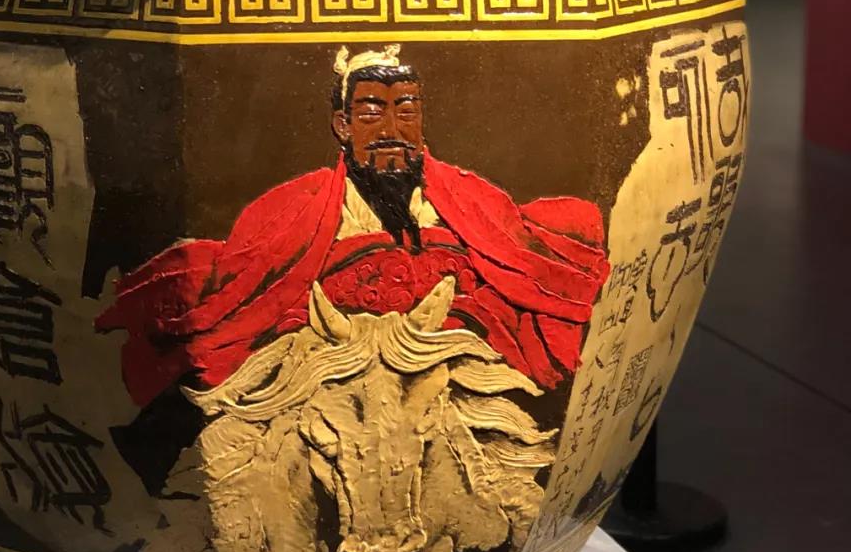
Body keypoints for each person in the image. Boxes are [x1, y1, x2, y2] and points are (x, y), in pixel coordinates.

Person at [96, 45, 609, 405]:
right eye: (371, 113)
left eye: (406, 112)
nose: (392, 130)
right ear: (342, 125)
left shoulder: (466, 196)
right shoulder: (299, 204)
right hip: (329, 367)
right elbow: (254, 289)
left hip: (451, 359)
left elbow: (518, 258)